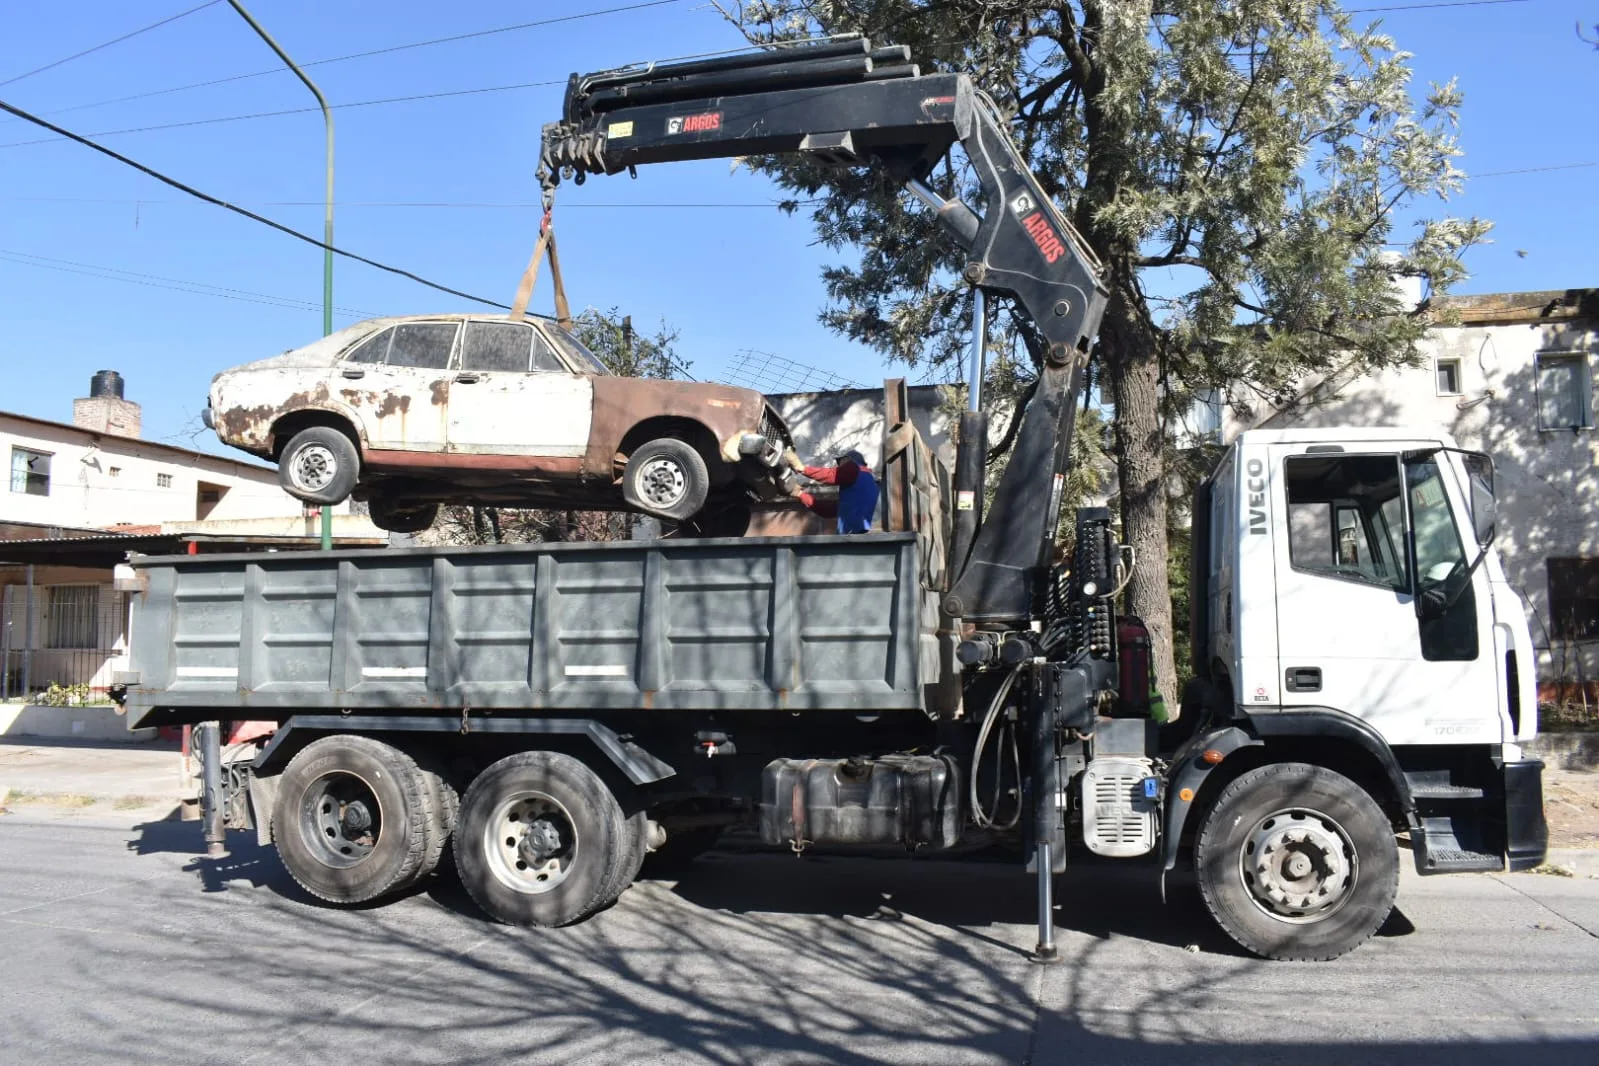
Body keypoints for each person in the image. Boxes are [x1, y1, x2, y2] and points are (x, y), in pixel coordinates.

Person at [787, 448, 879, 534]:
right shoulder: (867, 483)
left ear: (849, 460)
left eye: (841, 462)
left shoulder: (854, 467)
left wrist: (802, 468)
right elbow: (827, 510)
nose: (839, 466)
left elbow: (831, 475)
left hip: (853, 533)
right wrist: (800, 494)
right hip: (860, 533)